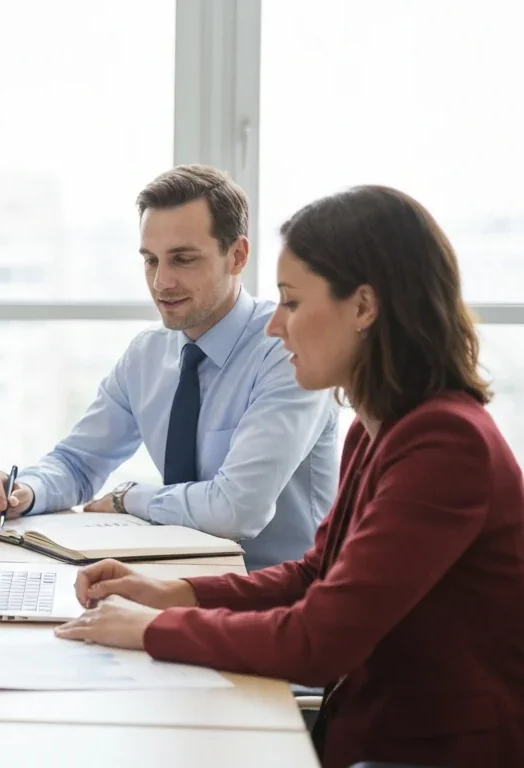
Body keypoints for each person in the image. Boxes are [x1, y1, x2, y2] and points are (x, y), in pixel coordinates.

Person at [56, 185, 524, 767]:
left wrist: (153, 628)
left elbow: (319, 640)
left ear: (363, 307)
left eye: (293, 303)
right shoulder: (379, 428)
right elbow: (314, 574)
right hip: (365, 732)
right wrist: (175, 592)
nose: (275, 327)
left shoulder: (445, 444)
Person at [0, 164, 338, 570]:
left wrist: (128, 497)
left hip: (276, 600)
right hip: (172, 582)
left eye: (183, 259)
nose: (161, 282)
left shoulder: (287, 351)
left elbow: (237, 510)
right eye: (150, 261)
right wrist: (26, 489)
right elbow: (78, 461)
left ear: (236, 256)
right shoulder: (147, 356)